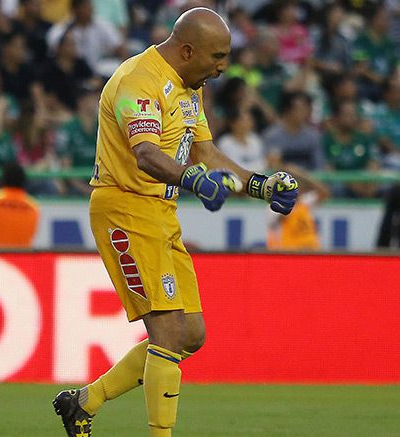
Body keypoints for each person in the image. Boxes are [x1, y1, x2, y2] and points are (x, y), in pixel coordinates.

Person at [51, 8, 298, 437]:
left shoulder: (189, 86)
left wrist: (261, 185)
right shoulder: (137, 83)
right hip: (125, 208)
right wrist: (192, 180)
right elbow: (147, 154)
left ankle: (82, 402)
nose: (223, 67)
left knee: (190, 333)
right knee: (167, 331)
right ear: (187, 50)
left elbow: (206, 154)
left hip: (160, 213)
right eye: (217, 57)